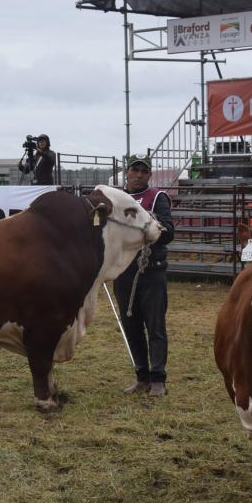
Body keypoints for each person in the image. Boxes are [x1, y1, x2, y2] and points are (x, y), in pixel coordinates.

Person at [113, 154, 174, 396]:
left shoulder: (157, 197)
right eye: (134, 170)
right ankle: (141, 375)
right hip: (123, 272)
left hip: (151, 271)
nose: (138, 175)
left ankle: (158, 379)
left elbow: (169, 232)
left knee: (155, 325)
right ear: (127, 173)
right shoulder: (117, 199)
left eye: (143, 171)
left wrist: (152, 224)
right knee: (131, 325)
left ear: (149, 175)